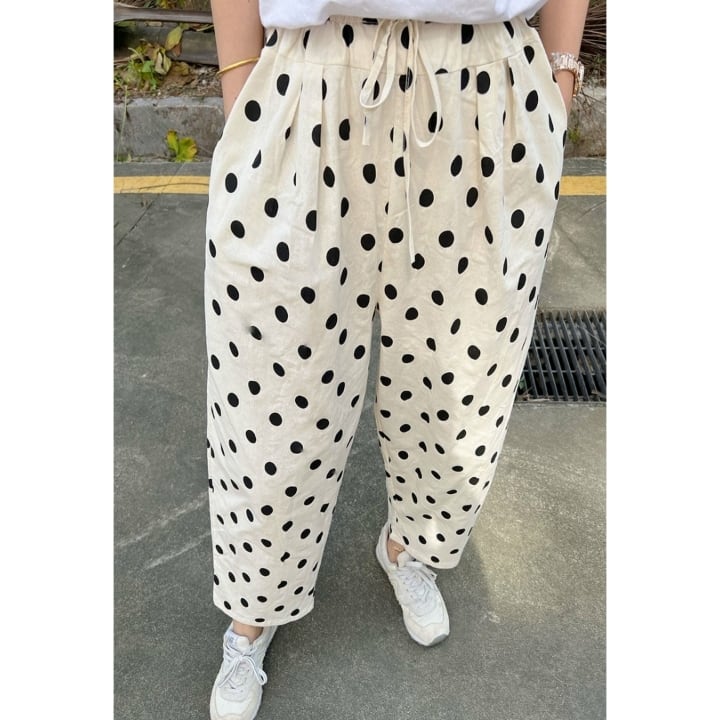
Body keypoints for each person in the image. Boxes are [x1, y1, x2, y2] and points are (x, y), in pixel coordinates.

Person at [204, 1, 589, 717]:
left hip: (485, 85)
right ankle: (253, 607)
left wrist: (560, 80)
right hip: (312, 80)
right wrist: (240, 90)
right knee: (272, 385)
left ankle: (412, 547)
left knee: (461, 379)